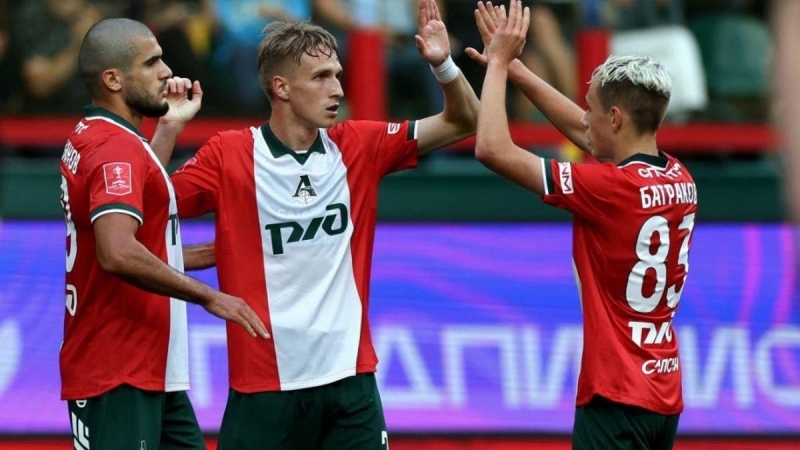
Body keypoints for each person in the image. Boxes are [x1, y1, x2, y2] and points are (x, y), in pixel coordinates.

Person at [169, 0, 478, 448]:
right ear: (281, 87)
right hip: (266, 386)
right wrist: (168, 129)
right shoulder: (229, 154)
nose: (337, 89)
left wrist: (443, 65)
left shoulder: (359, 145)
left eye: (337, 74)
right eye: (320, 77)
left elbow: (464, 121)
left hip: (351, 381)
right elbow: (145, 208)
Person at [467, 2, 697, 449]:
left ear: (616, 118)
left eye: (591, 109)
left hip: (615, 395)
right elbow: (587, 132)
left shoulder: (609, 188)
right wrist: (516, 69)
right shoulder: (679, 177)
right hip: (664, 394)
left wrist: (495, 66)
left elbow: (492, 148)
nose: (584, 117)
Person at [59, 18, 268, 450]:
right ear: (113, 79)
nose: (167, 71)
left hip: (148, 367)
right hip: (116, 369)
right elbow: (118, 252)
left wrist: (169, 127)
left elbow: (142, 230)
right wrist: (209, 296)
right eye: (151, 62)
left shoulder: (100, 135)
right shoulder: (113, 149)